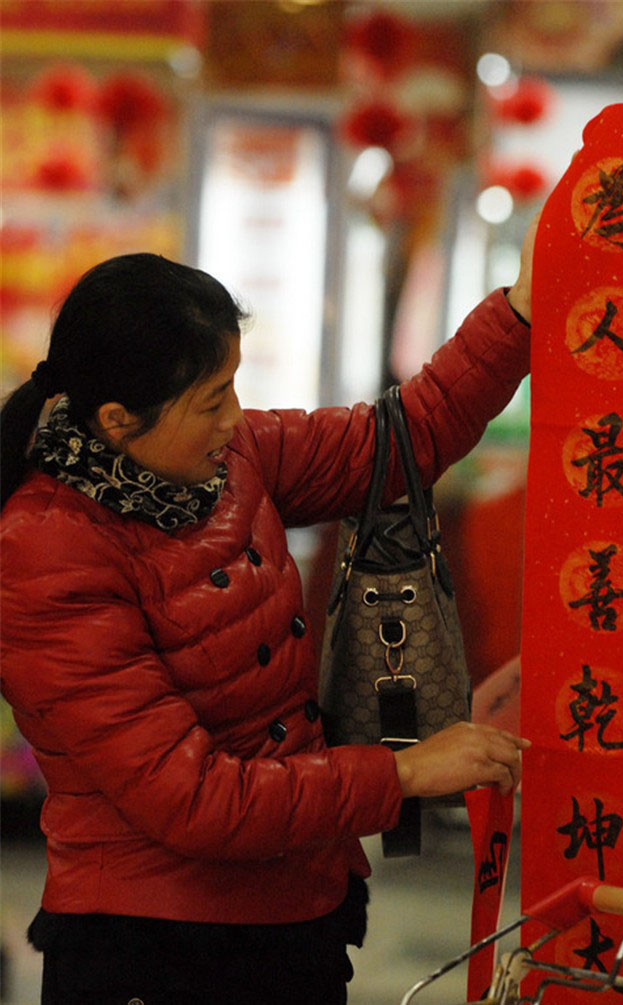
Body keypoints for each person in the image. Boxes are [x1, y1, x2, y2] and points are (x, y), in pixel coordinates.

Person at [0, 217, 536, 1004]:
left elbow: (399, 437)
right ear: (116, 421)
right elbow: (192, 798)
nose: (234, 417)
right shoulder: (47, 551)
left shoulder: (231, 457)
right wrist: (405, 770)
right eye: (211, 399)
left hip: (294, 906)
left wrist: (519, 312)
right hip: (153, 946)